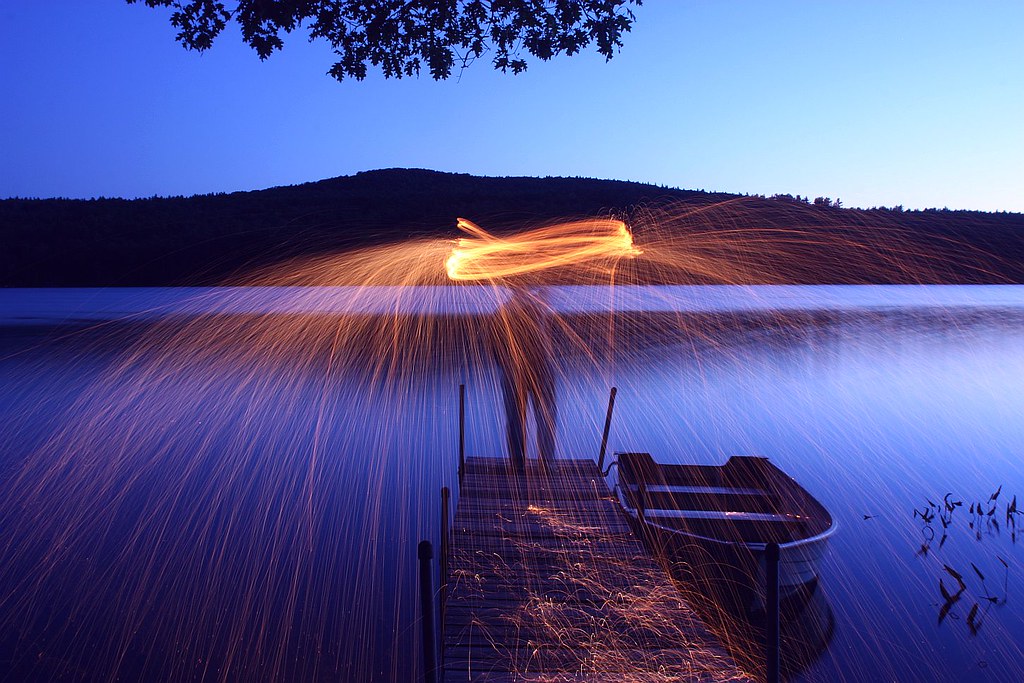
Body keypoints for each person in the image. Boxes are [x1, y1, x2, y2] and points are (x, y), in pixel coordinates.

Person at [491, 284, 557, 474]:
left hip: (523, 369)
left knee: (520, 418)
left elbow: (494, 344)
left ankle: (521, 464)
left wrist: (504, 363)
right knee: (539, 417)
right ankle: (544, 464)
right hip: (532, 368)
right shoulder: (537, 308)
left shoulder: (504, 311)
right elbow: (496, 344)